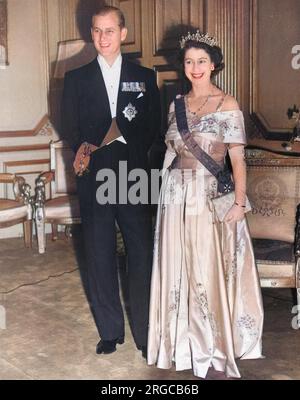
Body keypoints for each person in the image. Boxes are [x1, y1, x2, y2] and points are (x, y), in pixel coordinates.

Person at [147, 30, 263, 379]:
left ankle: (212, 346)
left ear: (214, 65)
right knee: (176, 267)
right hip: (174, 197)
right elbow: (170, 154)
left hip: (208, 196)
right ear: (183, 66)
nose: (195, 68)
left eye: (202, 61)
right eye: (189, 62)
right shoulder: (175, 105)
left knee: (204, 269)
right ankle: (179, 343)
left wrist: (239, 203)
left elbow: (238, 160)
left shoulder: (228, 104)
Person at [61, 5, 161, 357]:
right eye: (96, 30)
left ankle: (146, 334)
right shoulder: (76, 78)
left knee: (141, 256)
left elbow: (153, 127)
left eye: (109, 30)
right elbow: (70, 126)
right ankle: (110, 331)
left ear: (123, 33)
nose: (103, 37)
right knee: (99, 252)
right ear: (91, 34)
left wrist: (134, 156)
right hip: (95, 177)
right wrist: (90, 150)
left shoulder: (144, 76)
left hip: (134, 176)